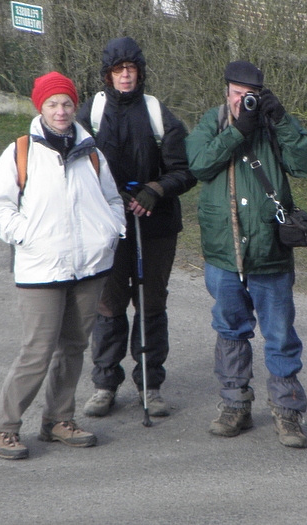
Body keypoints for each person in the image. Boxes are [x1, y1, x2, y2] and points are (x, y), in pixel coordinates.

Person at [0, 71, 126, 459]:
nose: (61, 111)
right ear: (40, 108)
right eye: (52, 104)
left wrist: (110, 231)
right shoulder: (20, 152)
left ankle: (58, 420)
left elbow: (113, 201)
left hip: (89, 267)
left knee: (74, 346)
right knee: (38, 350)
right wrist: (28, 236)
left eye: (66, 103)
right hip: (41, 269)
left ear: (74, 105)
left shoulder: (92, 153)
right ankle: (5, 426)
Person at [185, 60, 307, 448]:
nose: (241, 102)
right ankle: (235, 406)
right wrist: (237, 133)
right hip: (224, 252)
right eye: (235, 94)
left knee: (279, 335)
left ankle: (288, 411)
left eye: (249, 96)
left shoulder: (274, 124)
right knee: (230, 329)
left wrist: (281, 120)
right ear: (226, 92)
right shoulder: (210, 124)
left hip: (270, 251)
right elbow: (198, 164)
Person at [76, 37, 197, 418]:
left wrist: (155, 189)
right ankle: (104, 385)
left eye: (131, 68)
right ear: (108, 74)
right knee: (108, 306)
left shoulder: (159, 113)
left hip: (155, 226)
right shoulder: (91, 113)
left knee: (150, 303)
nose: (125, 75)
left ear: (140, 72)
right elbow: (75, 167)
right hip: (108, 226)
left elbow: (185, 170)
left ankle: (151, 385)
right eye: (117, 69)